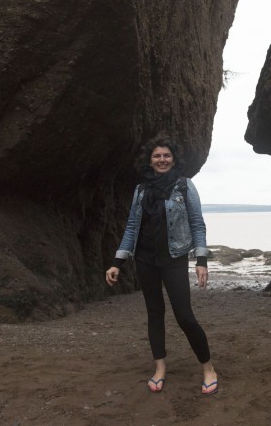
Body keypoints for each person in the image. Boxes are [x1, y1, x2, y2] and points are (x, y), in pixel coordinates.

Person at [105, 135, 218, 396]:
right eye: (157, 156)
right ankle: (159, 368)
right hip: (145, 260)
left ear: (173, 158)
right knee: (154, 314)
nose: (162, 159)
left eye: (166, 155)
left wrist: (201, 261)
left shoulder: (185, 186)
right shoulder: (141, 190)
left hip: (174, 259)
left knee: (185, 316)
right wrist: (117, 262)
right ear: (150, 160)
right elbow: (132, 227)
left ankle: (208, 368)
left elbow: (197, 223)